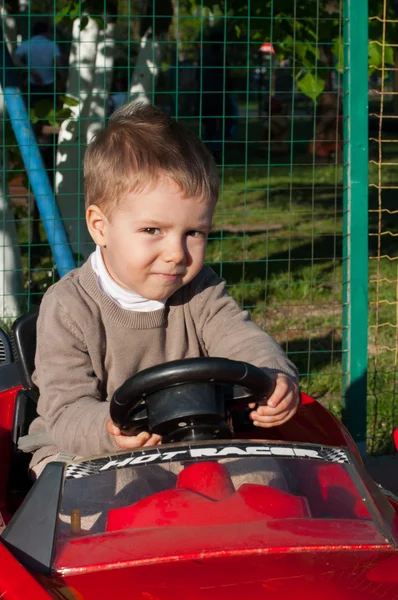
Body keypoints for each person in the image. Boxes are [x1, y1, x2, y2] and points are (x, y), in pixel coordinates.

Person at [19, 103, 300, 477]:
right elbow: (65, 410)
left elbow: (243, 339)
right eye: (153, 230)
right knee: (104, 496)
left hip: (191, 439)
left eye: (194, 233)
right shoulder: (69, 307)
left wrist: (275, 376)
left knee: (264, 474)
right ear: (100, 227)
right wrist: (110, 431)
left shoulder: (201, 292)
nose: (176, 254)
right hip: (87, 451)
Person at [14, 21, 63, 109]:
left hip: (32, 84)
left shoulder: (26, 44)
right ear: (47, 31)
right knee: (50, 113)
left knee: (32, 111)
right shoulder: (52, 45)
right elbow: (58, 65)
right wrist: (61, 80)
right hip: (50, 84)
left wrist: (31, 71)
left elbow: (16, 61)